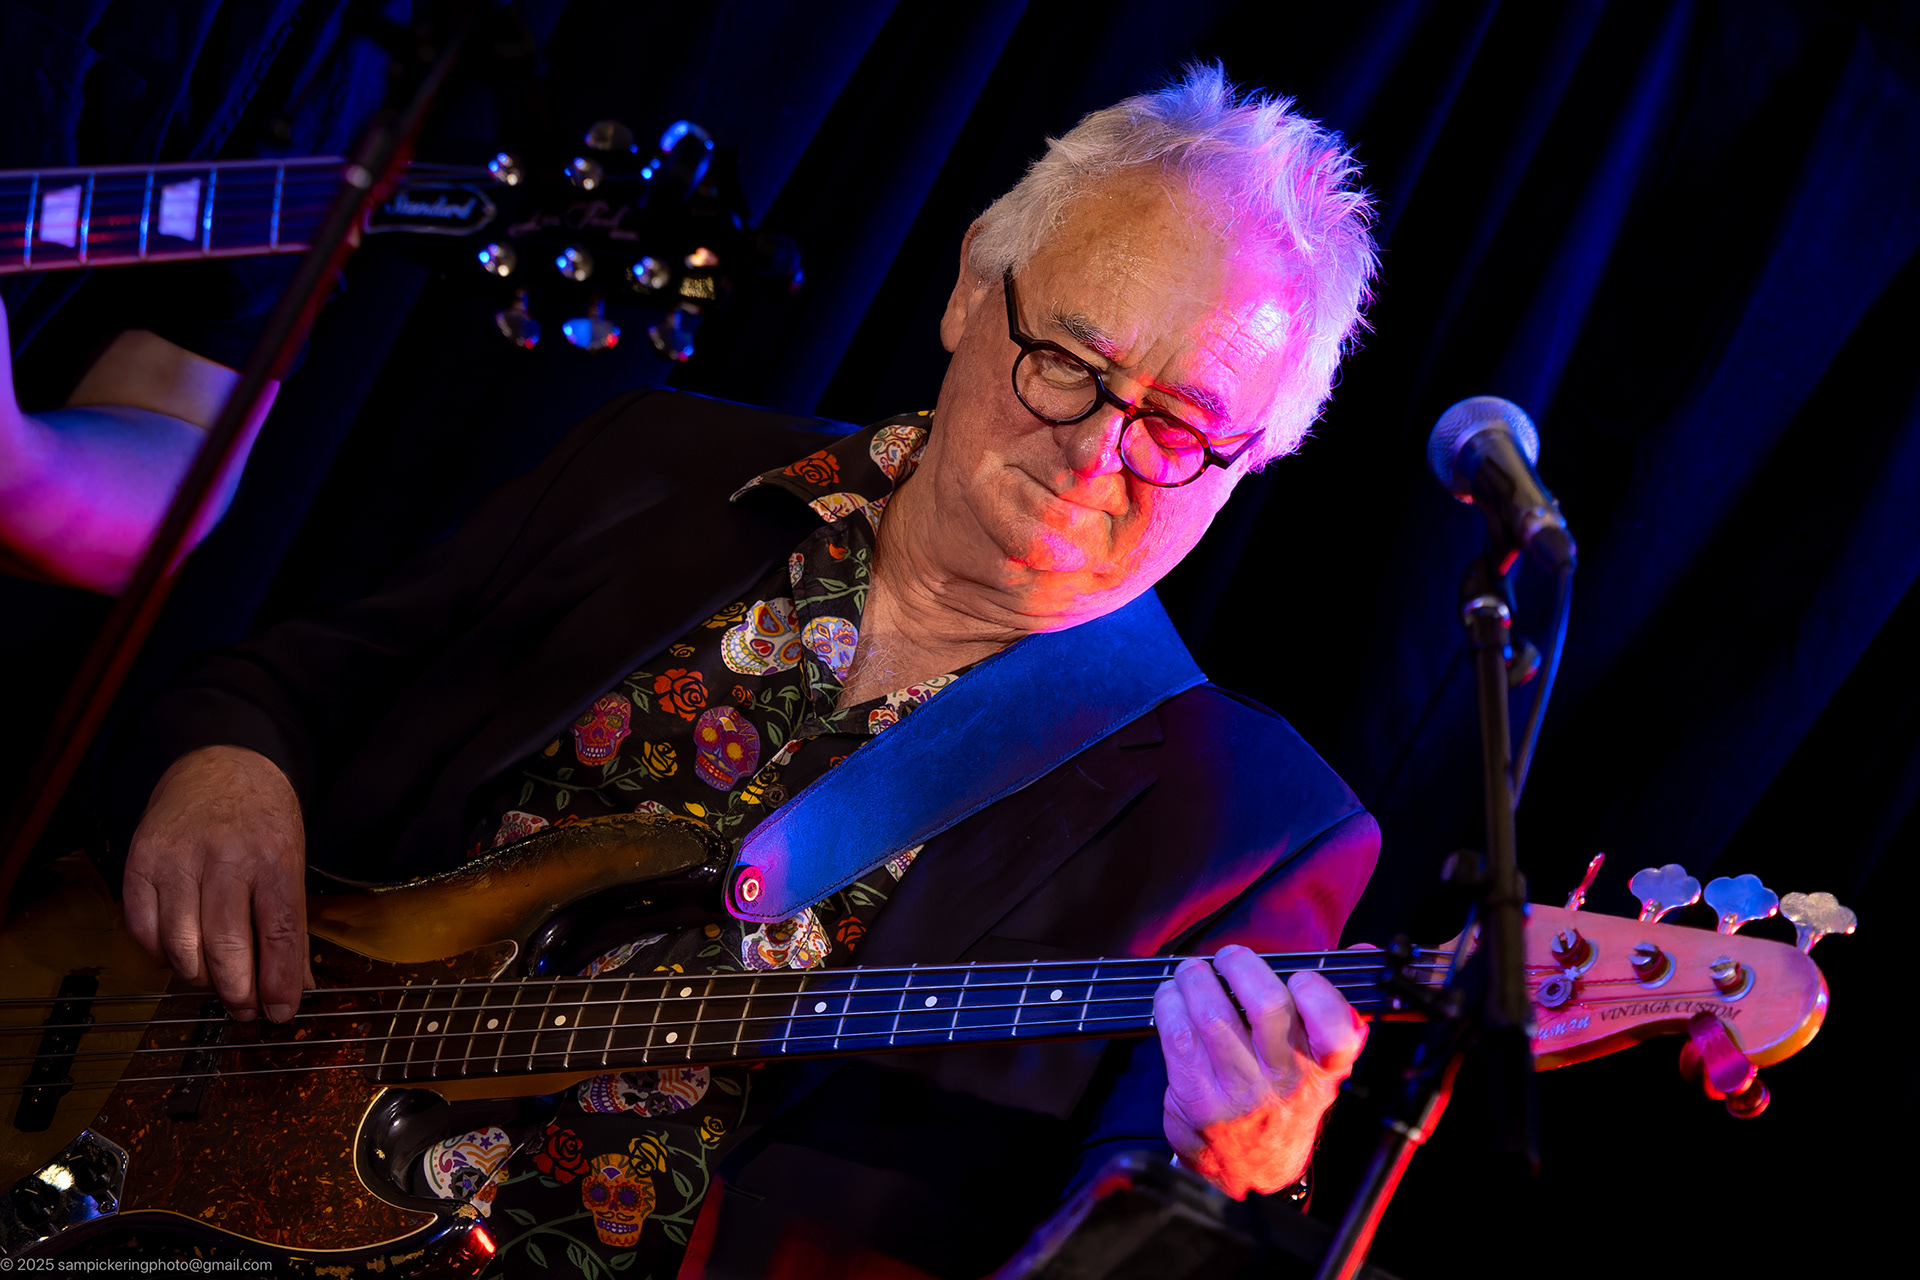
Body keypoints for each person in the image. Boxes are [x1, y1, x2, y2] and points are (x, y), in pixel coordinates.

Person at [106, 65, 1381, 1278]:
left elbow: (1142, 1236)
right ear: (970, 289)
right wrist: (223, 763)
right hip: (187, 1175)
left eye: (1180, 424)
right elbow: (291, 685)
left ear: (1257, 458)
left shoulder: (1257, 824)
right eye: (1069, 364)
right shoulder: (657, 460)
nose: (1096, 450)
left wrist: (1234, 1170)